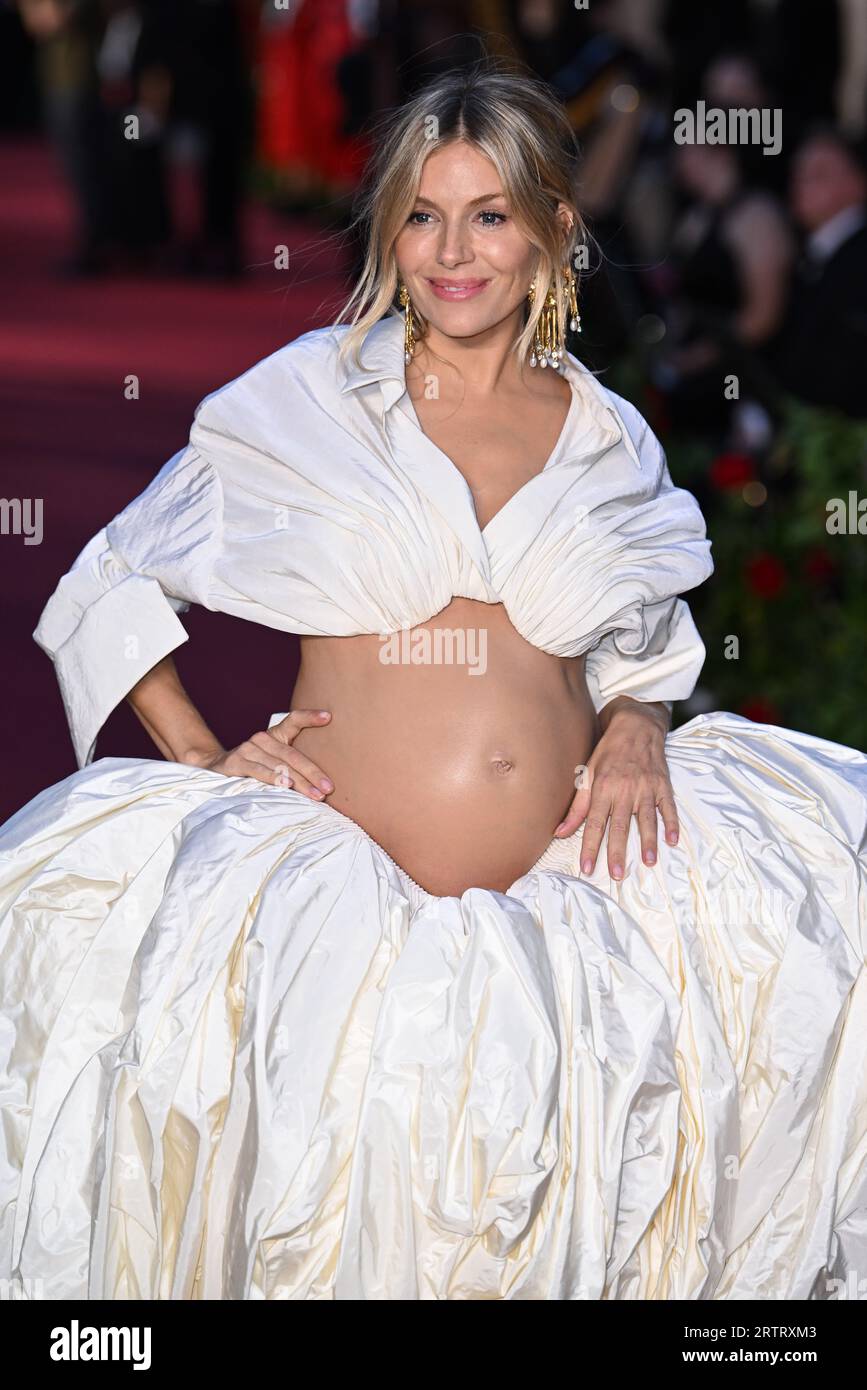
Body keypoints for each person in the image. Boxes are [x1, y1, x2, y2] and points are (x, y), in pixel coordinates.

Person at [1, 63, 866, 1302]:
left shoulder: (606, 427)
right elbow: (112, 578)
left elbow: (639, 642)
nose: (454, 250)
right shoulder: (316, 395)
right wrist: (201, 755)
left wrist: (636, 724)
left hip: (583, 903)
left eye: (491, 214)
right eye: (423, 213)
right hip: (341, 911)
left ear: (556, 230)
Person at [772, 128, 867, 419]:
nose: (801, 184)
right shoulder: (817, 254)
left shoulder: (858, 261)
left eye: (819, 174)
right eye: (798, 173)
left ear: (858, 183)